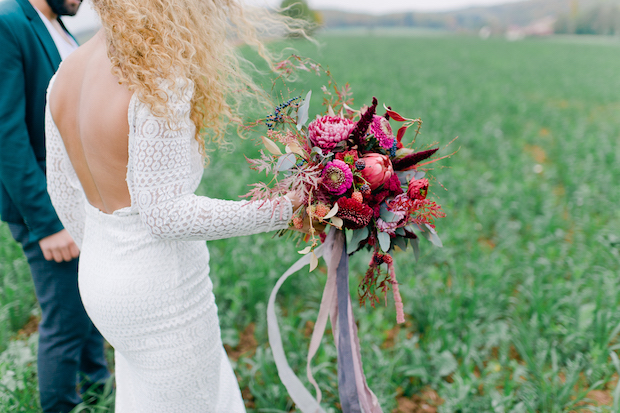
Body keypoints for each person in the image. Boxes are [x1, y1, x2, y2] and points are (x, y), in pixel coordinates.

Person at [45, 0, 311, 411]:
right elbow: (166, 215)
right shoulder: (155, 74)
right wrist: (287, 206)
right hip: (160, 294)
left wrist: (110, 251)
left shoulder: (67, 72)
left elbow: (63, 193)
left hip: (100, 279)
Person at [0, 0, 111, 412]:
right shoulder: (8, 23)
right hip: (46, 211)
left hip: (80, 203)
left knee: (87, 311)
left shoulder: (59, 26)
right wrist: (47, 224)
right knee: (65, 323)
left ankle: (99, 396)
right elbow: (6, 136)